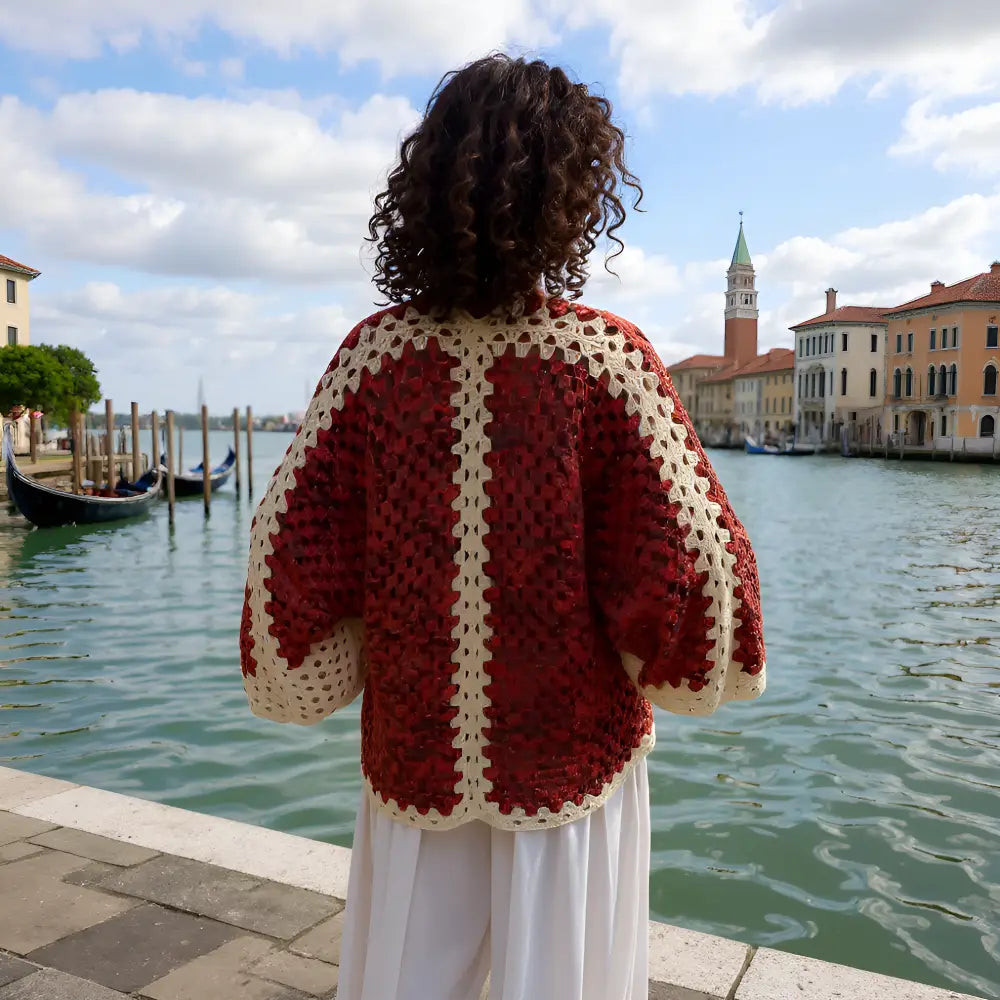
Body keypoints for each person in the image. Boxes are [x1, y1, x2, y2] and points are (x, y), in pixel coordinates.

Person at [240, 53, 766, 1000]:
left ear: (427, 185)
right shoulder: (605, 360)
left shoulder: (373, 360)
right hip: (570, 768)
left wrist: (345, 655)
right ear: (575, 193)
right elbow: (695, 565)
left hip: (415, 758)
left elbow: (288, 553)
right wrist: (680, 663)